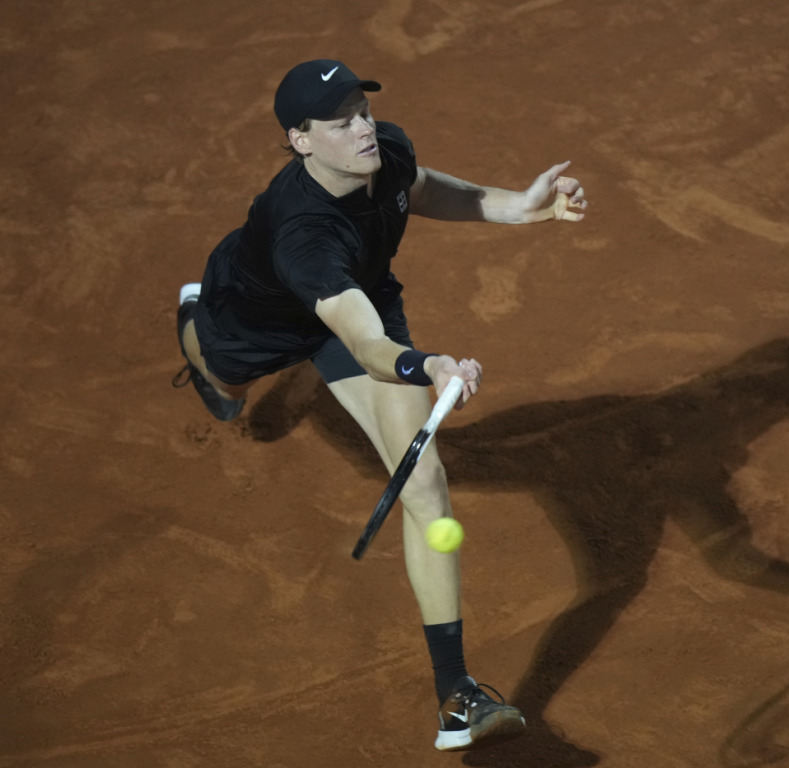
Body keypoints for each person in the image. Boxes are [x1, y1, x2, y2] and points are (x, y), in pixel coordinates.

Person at [172, 58, 587, 752]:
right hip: (262, 318)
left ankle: (456, 697)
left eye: (362, 111)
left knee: (424, 483)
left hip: (360, 300)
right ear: (301, 140)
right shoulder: (303, 234)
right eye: (341, 123)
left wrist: (519, 205)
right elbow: (366, 348)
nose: (363, 128)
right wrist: (429, 366)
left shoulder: (383, 148)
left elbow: (418, 188)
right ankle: (191, 317)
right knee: (222, 378)